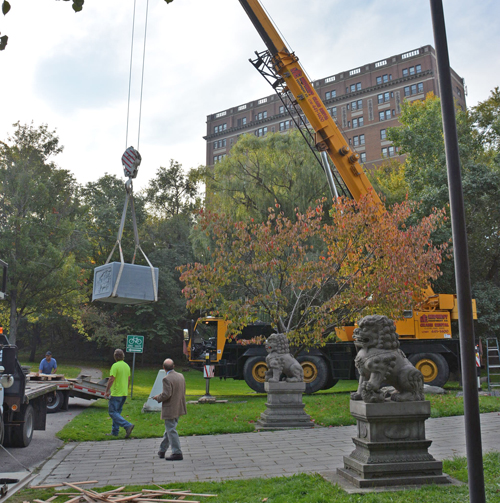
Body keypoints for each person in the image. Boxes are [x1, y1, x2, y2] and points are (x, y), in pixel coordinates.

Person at [153, 358, 187, 461]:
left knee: (171, 430)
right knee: (169, 428)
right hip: (179, 406)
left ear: (163, 368)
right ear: (174, 366)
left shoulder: (166, 379)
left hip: (170, 408)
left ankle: (177, 452)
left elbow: (166, 394)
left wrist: (157, 397)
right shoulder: (181, 376)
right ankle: (162, 450)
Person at [104, 349, 134, 438]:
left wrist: (107, 391)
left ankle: (127, 425)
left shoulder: (115, 366)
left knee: (112, 412)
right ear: (123, 356)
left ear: (115, 356)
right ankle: (115, 432)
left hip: (116, 393)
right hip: (124, 392)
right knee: (117, 413)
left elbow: (112, 379)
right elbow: (128, 379)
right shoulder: (127, 366)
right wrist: (126, 389)